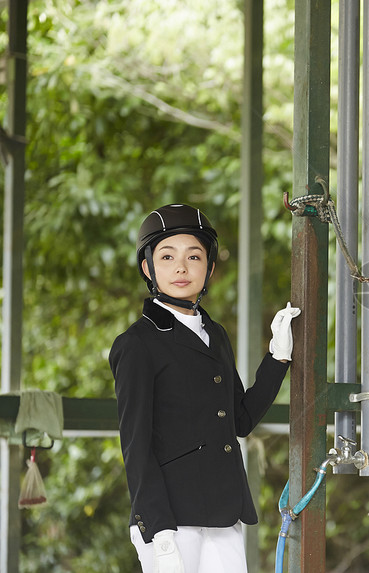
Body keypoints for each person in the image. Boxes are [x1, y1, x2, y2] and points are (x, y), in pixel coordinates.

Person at [109, 204, 300, 573]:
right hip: (170, 520)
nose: (181, 267)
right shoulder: (137, 344)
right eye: (167, 256)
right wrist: (158, 530)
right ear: (148, 268)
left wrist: (277, 358)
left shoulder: (215, 335)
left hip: (223, 514)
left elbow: (240, 421)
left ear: (209, 267)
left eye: (193, 256)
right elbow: (136, 444)